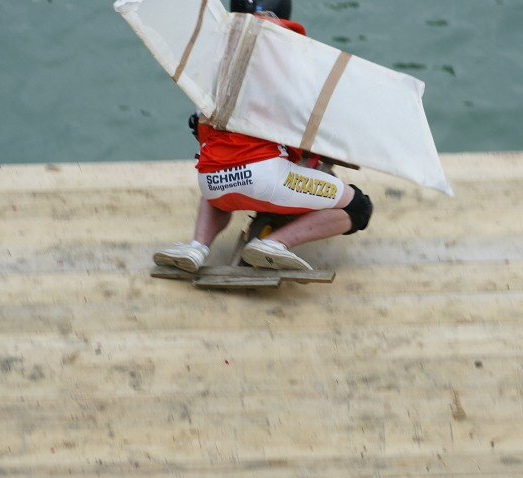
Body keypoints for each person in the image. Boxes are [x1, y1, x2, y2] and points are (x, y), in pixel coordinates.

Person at [152, 0, 373, 273]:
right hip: (265, 179)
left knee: (221, 163)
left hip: (212, 183)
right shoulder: (293, 55)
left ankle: (197, 247)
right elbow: (315, 126)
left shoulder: (213, 59)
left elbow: (198, 126)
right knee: (359, 207)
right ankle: (275, 244)